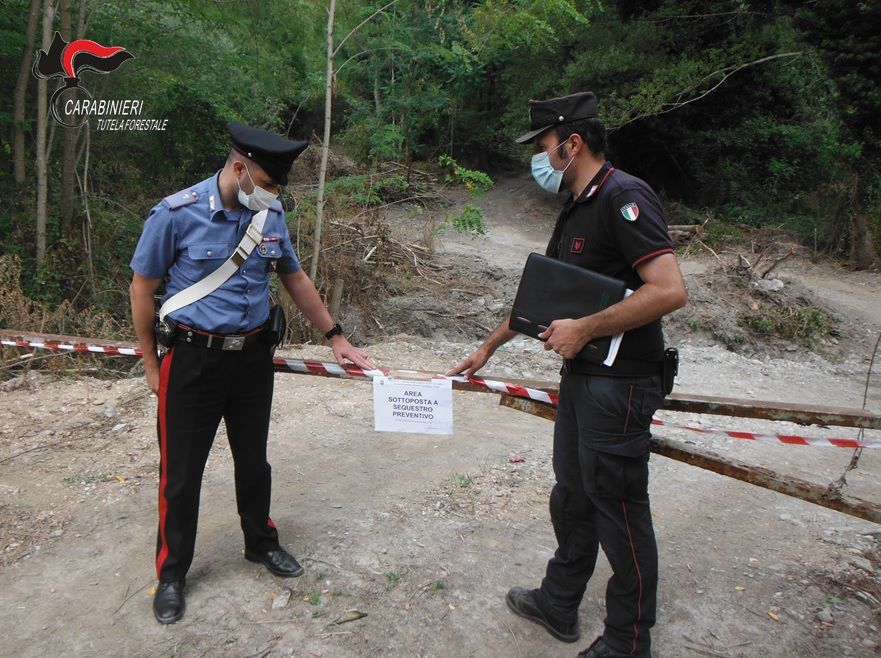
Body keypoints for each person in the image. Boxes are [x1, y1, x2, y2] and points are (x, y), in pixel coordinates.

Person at [449, 92, 687, 658]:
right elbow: (541, 295)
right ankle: (560, 601)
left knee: (620, 510)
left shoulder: (624, 196)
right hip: (583, 380)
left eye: (543, 145)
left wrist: (584, 327)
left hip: (622, 383)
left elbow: (670, 289)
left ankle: (629, 641)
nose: (539, 156)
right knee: (573, 496)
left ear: (571, 143)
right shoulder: (577, 207)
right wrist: (488, 348)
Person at [129, 121, 374, 625]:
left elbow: (294, 276)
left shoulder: (271, 216)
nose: (272, 195)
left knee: (254, 461)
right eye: (266, 184)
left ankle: (260, 543)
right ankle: (172, 572)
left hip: (253, 359)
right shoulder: (175, 214)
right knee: (181, 474)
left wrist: (336, 334)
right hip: (193, 361)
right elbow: (141, 289)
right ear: (240, 168)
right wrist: (152, 363)